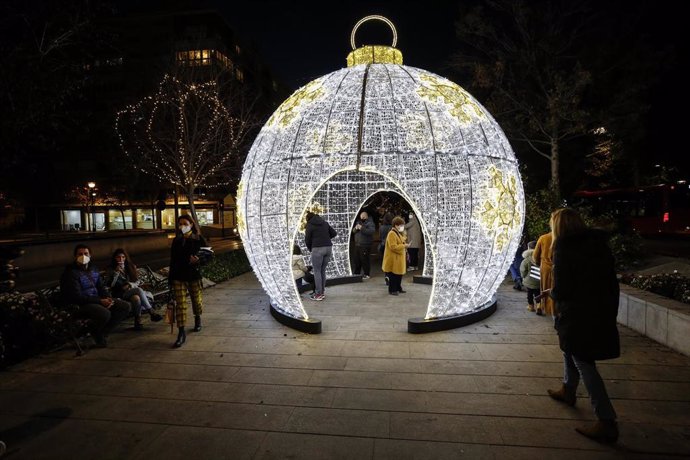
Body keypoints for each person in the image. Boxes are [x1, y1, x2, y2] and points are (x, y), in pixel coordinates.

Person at [545, 208, 620, 443]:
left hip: (578, 313)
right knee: (570, 348)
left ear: (558, 227)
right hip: (599, 310)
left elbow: (565, 287)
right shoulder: (598, 246)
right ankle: (568, 389)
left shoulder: (565, 249)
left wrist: (554, 294)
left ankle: (606, 421)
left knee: (583, 361)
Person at [60, 244, 131, 348]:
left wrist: (108, 298)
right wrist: (100, 301)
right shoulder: (70, 273)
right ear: (75, 256)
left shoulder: (93, 269)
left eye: (86, 254)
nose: (83, 256)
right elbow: (77, 297)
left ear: (90, 255)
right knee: (104, 313)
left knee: (125, 306)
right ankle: (96, 332)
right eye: (80, 254)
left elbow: (100, 287)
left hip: (95, 300)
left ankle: (102, 332)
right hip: (80, 304)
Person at [168, 215, 207, 348]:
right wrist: (170, 279)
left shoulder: (198, 239)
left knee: (196, 300)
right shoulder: (176, 241)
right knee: (181, 305)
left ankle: (197, 318)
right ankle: (181, 332)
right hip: (178, 275)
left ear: (191, 224)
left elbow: (209, 254)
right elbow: (172, 261)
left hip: (193, 275)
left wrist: (199, 260)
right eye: (180, 224)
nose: (182, 226)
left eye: (185, 223)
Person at [106, 248, 163, 330]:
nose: (121, 259)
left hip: (131, 291)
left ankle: (138, 322)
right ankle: (151, 311)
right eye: (118, 257)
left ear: (125, 258)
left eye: (123, 257)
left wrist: (129, 285)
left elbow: (137, 281)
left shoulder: (130, 267)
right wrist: (116, 273)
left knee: (136, 298)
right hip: (119, 293)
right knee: (139, 290)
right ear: (115, 258)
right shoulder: (111, 269)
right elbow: (110, 285)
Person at [305, 211, 337, 301]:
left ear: (308, 218)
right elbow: (334, 233)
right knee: (322, 270)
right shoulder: (325, 223)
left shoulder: (310, 225)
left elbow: (307, 239)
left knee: (317, 271)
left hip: (317, 249)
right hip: (328, 248)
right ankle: (322, 292)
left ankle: (318, 294)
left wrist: (311, 248)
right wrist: (325, 239)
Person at [533, 217, 556, 316]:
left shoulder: (543, 238)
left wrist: (539, 263)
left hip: (546, 269)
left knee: (547, 290)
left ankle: (549, 311)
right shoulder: (571, 240)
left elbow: (535, 257)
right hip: (563, 270)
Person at [382, 216, 410, 295]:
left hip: (398, 258)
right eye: (401, 225)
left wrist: (404, 239)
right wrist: (404, 246)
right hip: (393, 259)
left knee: (398, 275)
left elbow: (401, 241)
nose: (402, 227)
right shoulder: (392, 233)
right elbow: (393, 246)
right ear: (396, 225)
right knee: (394, 275)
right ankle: (392, 290)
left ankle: (398, 288)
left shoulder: (397, 233)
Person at [351, 210, 375, 280]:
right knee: (357, 259)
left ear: (366, 216)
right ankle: (356, 273)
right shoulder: (358, 222)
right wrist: (356, 228)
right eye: (361, 217)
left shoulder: (370, 223)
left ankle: (366, 274)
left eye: (363, 217)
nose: (362, 218)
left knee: (364, 259)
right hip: (357, 244)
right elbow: (353, 231)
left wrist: (362, 228)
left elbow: (371, 231)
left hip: (365, 244)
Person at [519, 241, 540, 312]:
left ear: (528, 248)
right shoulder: (541, 258)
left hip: (529, 281)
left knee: (529, 294)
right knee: (538, 293)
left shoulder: (527, 260)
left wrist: (523, 276)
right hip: (539, 281)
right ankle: (539, 306)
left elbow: (523, 270)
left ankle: (531, 306)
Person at [379, 212, 393, 285]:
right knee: (392, 262)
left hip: (383, 245)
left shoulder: (381, 227)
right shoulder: (392, 228)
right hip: (390, 246)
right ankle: (390, 277)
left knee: (385, 262)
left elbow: (380, 237)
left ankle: (386, 275)